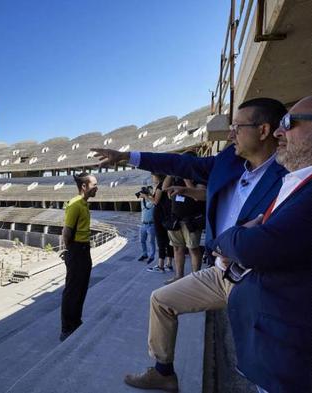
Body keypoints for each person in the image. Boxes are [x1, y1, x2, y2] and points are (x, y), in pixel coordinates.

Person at [91, 97, 288, 391]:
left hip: (259, 281)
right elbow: (180, 162)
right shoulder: (229, 161)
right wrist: (127, 156)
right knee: (161, 300)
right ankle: (163, 372)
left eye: (237, 127)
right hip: (221, 271)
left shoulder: (287, 175)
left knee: (265, 368)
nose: (230, 134)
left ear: (263, 131)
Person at [211, 96, 312, 392]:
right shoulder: (295, 181)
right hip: (273, 348)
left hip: (290, 359)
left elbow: (256, 246)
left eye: (289, 124)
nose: (282, 132)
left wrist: (227, 239)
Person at [60, 172, 98, 342]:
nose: (97, 188)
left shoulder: (84, 204)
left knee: (81, 288)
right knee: (72, 290)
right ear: (84, 186)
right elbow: (66, 233)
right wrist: (71, 252)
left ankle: (76, 321)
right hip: (76, 250)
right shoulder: (75, 204)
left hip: (84, 250)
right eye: (94, 184)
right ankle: (67, 327)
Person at [164, 173, 206, 284]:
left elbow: (197, 196)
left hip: (191, 221)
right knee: (177, 248)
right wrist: (170, 173)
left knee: (193, 248)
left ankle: (195, 278)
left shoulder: (199, 178)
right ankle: (179, 276)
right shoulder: (176, 177)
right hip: (176, 220)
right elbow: (164, 188)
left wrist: (186, 178)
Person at [146, 174, 174, 273]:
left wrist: (145, 196)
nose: (152, 178)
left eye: (152, 175)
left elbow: (156, 201)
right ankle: (169, 264)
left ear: (157, 176)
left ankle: (160, 265)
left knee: (161, 241)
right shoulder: (168, 183)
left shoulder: (160, 185)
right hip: (167, 215)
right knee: (169, 241)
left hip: (159, 217)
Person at [137, 185, 156, 263]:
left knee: (151, 242)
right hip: (143, 224)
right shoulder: (143, 200)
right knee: (142, 240)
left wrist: (146, 196)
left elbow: (153, 201)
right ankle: (145, 254)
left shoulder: (152, 200)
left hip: (151, 225)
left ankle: (152, 256)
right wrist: (143, 196)